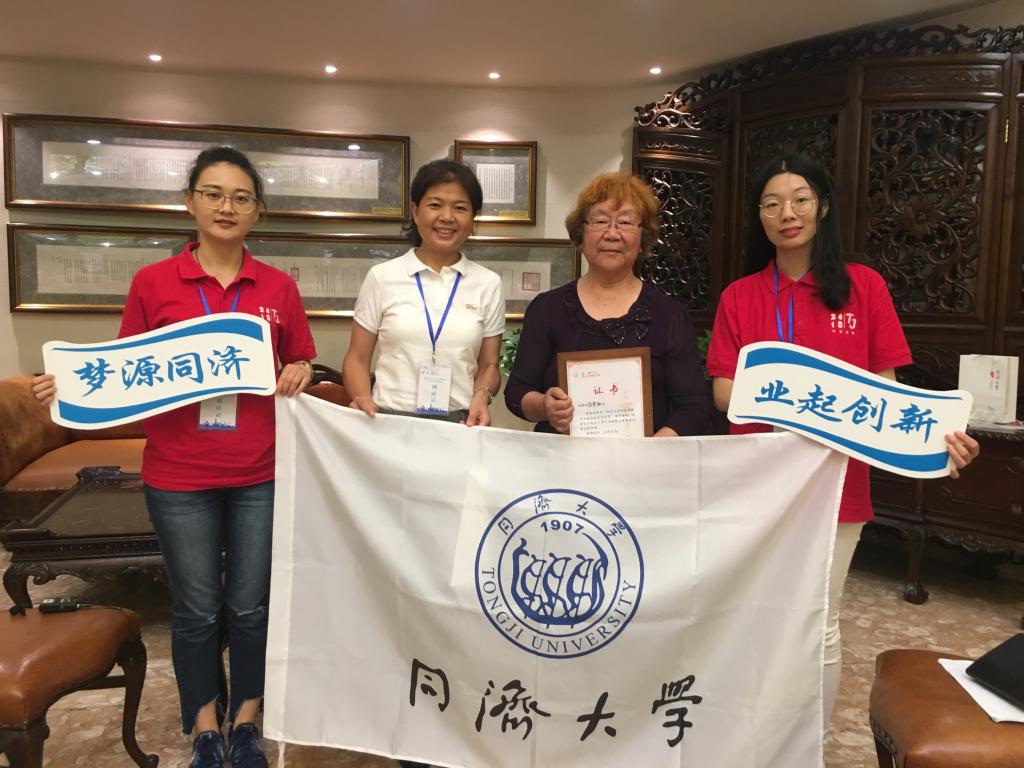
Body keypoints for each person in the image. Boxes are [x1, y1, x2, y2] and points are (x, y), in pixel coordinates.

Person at [33, 146, 316, 768]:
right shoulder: (153, 283)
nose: (226, 207)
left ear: (257, 211)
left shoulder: (278, 287)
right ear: (190, 202)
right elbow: (123, 373)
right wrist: (69, 388)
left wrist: (299, 368)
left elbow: (300, 356)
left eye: (241, 197)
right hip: (179, 476)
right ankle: (205, 726)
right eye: (213, 193)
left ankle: (247, 720)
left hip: (260, 472)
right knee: (195, 609)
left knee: (250, 605)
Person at [705, 153, 979, 733]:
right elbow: (725, 394)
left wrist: (941, 444)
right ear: (759, 216)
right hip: (755, 482)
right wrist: (794, 400)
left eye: (800, 199)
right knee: (753, 616)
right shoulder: (740, 296)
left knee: (820, 620)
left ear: (823, 206)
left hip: (837, 484)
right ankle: (751, 737)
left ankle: (807, 745)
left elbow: (888, 397)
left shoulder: (863, 287)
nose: (787, 213)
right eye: (772, 203)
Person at [504, 170, 711, 437]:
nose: (612, 234)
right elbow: (517, 392)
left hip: (643, 460)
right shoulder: (547, 308)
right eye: (600, 221)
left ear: (643, 238)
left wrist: (655, 447)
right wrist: (544, 406)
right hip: (560, 459)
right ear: (581, 235)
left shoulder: (669, 315)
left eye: (625, 222)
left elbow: (694, 406)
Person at [343, 159, 504, 426]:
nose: (447, 217)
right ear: (415, 211)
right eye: (435, 205)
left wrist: (482, 396)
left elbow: (489, 365)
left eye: (460, 208)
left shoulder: (488, 284)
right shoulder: (382, 277)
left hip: (459, 424)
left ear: (473, 218)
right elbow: (356, 359)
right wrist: (361, 396)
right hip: (388, 419)